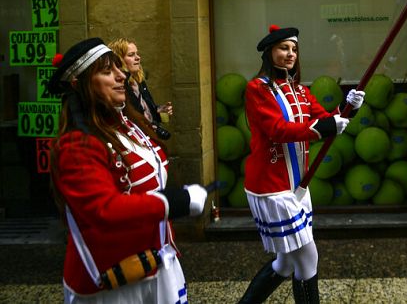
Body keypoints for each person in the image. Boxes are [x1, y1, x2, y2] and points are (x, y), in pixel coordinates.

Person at [48, 37, 208, 302]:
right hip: (113, 279)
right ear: (79, 84)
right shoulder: (76, 145)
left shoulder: (128, 126)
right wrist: (173, 202)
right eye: (107, 71)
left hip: (158, 261)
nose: (121, 76)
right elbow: (103, 210)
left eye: (118, 68)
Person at [238, 25, 364, 304]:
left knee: (284, 263)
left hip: (296, 185)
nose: (290, 54)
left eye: (294, 49)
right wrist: (325, 126)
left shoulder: (300, 91)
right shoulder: (257, 89)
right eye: (284, 48)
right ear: (269, 52)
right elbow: (278, 130)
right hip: (272, 187)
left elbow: (326, 118)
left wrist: (349, 108)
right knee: (308, 260)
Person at [108, 37, 172, 140]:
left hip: (149, 137)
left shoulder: (138, 80)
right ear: (118, 59)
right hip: (133, 139)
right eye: (131, 55)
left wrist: (158, 111)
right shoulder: (118, 86)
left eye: (137, 54)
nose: (138, 58)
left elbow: (144, 111)